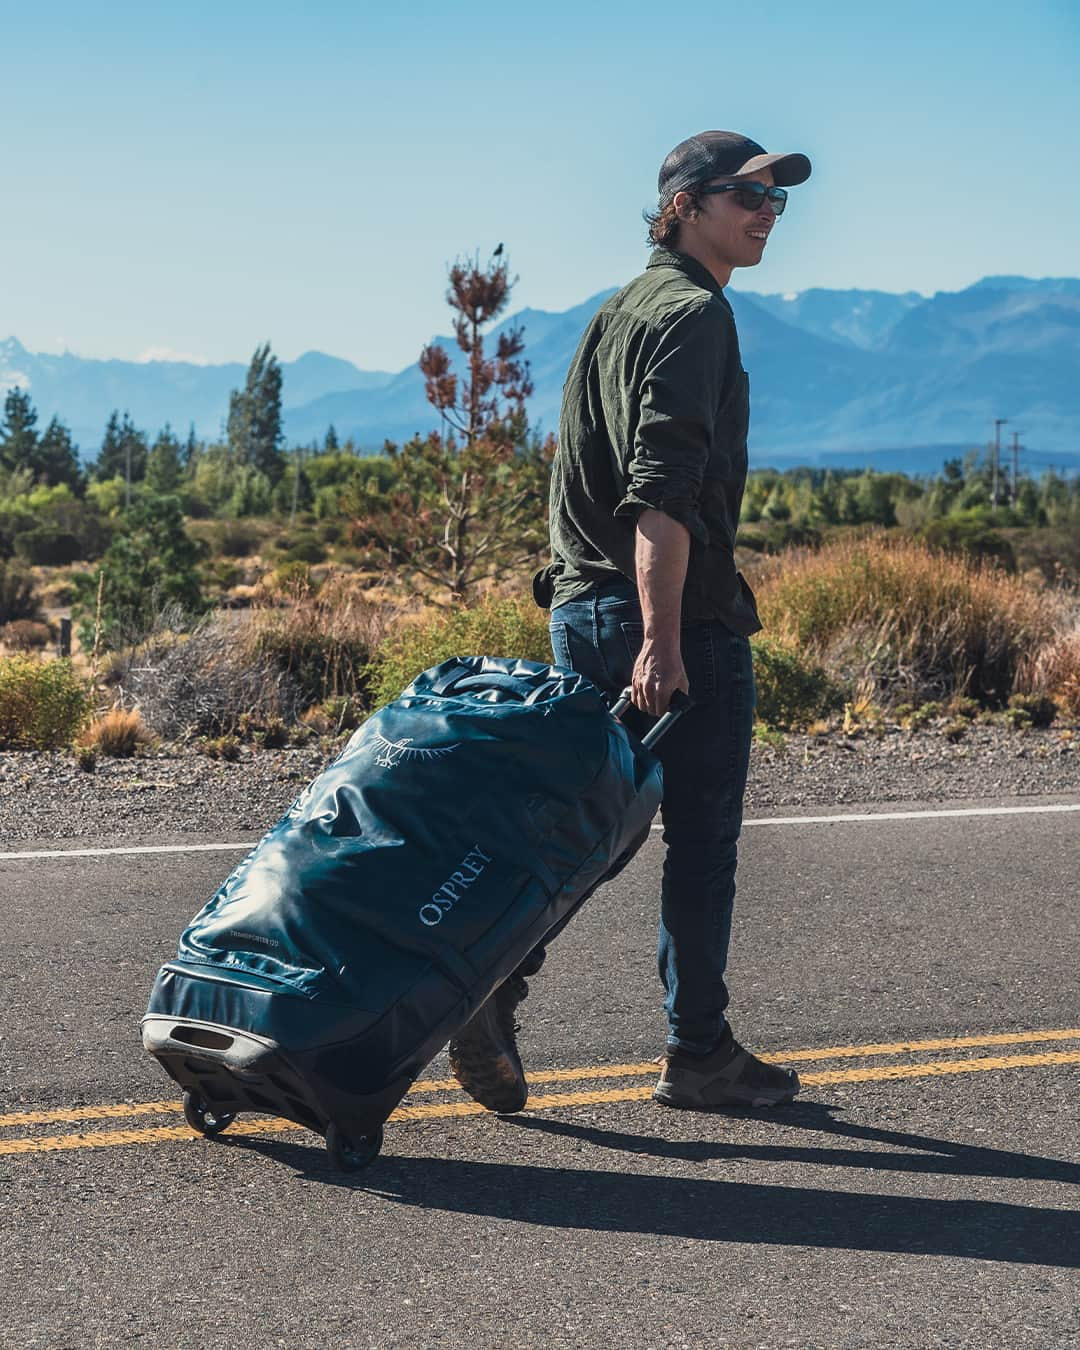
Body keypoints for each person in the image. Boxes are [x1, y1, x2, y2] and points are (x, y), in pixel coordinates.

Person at [448, 130, 811, 1113]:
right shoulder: (693, 315)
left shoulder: (616, 314)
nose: (767, 213)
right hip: (669, 619)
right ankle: (695, 1052)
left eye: (778, 200)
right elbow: (661, 496)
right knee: (697, 842)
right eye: (747, 195)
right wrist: (660, 638)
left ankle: (489, 982)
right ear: (686, 205)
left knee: (585, 832)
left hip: (582, 609)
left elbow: (587, 480)